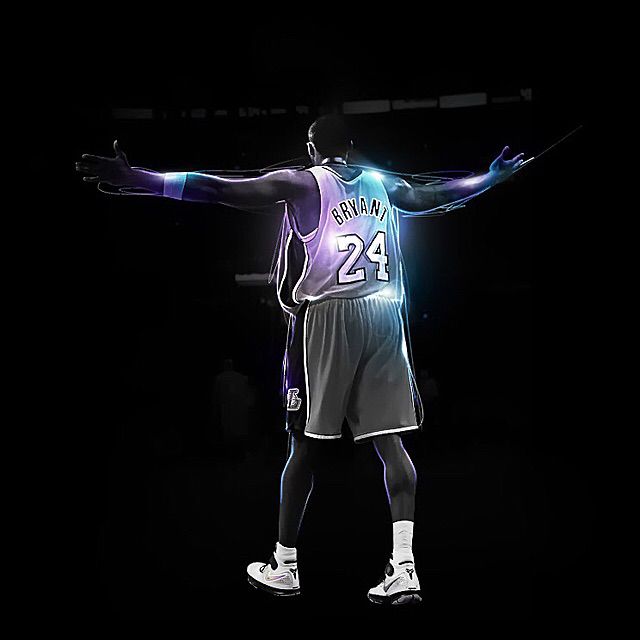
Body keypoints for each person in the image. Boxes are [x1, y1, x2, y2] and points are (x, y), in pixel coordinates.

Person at [76, 115, 524, 605]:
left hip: (327, 317)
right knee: (392, 445)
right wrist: (491, 177)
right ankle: (404, 567)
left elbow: (218, 189)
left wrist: (139, 178)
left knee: (304, 447)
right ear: (351, 146)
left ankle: (285, 565)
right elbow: (436, 195)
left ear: (311, 148)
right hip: (384, 314)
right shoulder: (383, 183)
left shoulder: (302, 183)